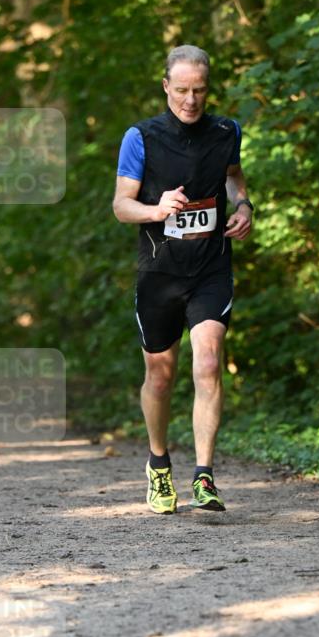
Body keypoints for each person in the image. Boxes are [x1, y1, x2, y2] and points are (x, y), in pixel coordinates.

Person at [113, 45, 253, 516]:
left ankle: (205, 476)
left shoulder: (226, 131)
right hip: (160, 270)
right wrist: (156, 210)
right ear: (166, 86)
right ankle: (158, 463)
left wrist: (243, 206)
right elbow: (120, 205)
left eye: (200, 90)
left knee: (209, 362)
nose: (191, 100)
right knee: (161, 372)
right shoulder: (142, 137)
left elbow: (234, 176)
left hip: (210, 266)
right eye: (182, 90)